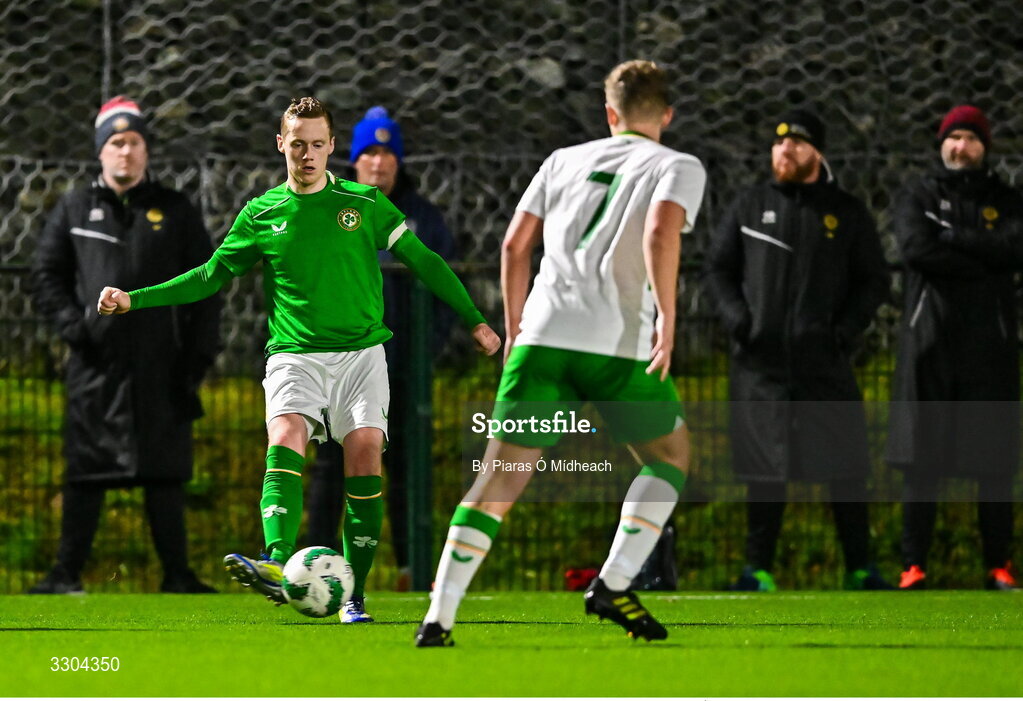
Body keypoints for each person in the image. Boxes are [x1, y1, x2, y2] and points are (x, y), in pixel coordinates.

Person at [95, 97, 500, 622]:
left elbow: (422, 259)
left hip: (360, 356)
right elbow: (209, 276)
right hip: (295, 355)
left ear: (332, 147)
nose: (307, 154)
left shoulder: (365, 204)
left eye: (317, 144)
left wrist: (474, 318)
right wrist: (135, 298)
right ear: (280, 143)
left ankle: (353, 593)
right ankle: (276, 562)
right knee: (285, 436)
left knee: (365, 454)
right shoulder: (262, 214)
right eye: (298, 144)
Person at [414, 59, 706, 647]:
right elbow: (658, 234)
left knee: (498, 481)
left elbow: (515, 244)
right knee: (670, 455)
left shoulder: (563, 160)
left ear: (609, 114)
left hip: (542, 338)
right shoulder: (678, 165)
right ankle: (614, 581)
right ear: (666, 116)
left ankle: (438, 618)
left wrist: (515, 329)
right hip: (616, 345)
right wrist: (669, 318)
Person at [29, 96, 221, 594]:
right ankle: (65, 574)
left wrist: (196, 356)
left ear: (146, 151)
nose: (126, 153)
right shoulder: (73, 208)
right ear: (100, 151)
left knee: (165, 473)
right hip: (96, 366)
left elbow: (208, 282)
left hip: (163, 366)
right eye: (116, 143)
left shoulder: (175, 210)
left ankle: (177, 575)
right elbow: (47, 275)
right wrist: (76, 329)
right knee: (86, 472)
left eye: (134, 143)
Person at [703, 109, 891, 592]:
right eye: (779, 143)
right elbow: (719, 270)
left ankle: (860, 569)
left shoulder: (844, 212)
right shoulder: (750, 205)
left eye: (798, 144)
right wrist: (741, 322)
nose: (785, 151)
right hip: (760, 365)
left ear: (818, 153)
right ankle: (757, 571)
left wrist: (843, 332)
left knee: (846, 467)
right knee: (764, 470)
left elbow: (874, 280)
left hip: (823, 363)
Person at [306, 107, 457, 592]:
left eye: (387, 153)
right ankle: (315, 566)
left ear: (399, 162)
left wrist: (421, 356)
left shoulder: (424, 219)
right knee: (332, 471)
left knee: (406, 476)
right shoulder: (331, 207)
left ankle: (414, 570)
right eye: (369, 151)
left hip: (403, 376)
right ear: (354, 160)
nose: (378, 162)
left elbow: (442, 291)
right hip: (340, 368)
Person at [887, 105, 1023, 591]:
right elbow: (915, 248)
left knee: (994, 462)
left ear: (984, 147)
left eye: (969, 138)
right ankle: (914, 565)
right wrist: (980, 258)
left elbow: (1015, 246)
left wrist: (954, 241)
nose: (959, 147)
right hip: (929, 345)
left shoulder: (1006, 199)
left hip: (991, 348)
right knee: (921, 460)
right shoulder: (917, 194)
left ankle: (998, 566)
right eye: (952, 138)